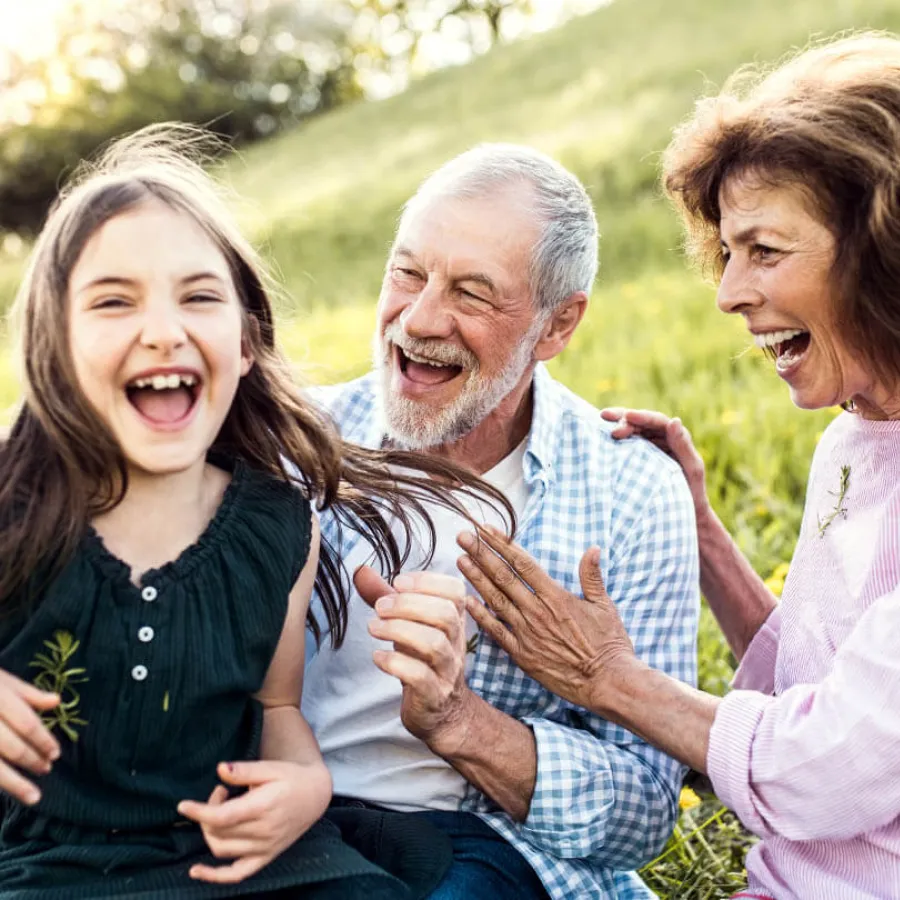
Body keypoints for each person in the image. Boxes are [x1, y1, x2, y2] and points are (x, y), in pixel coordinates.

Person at [0, 125, 510, 900]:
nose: (164, 330)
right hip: (47, 868)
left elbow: (277, 708)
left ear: (244, 343)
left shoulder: (278, 527)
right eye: (113, 301)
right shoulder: (12, 503)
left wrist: (304, 785)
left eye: (199, 297)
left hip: (233, 863)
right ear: (54, 346)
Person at [456, 32, 900, 900]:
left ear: (882, 245)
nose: (731, 291)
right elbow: (814, 682)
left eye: (765, 251)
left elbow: (828, 766)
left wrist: (605, 679)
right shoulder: (858, 435)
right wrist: (705, 536)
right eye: (728, 253)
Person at [302, 144, 701, 900]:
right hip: (284, 816)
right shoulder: (293, 444)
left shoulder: (631, 492)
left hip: (479, 852)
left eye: (472, 294)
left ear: (558, 325)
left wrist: (458, 721)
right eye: (407, 272)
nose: (420, 319)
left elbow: (645, 810)